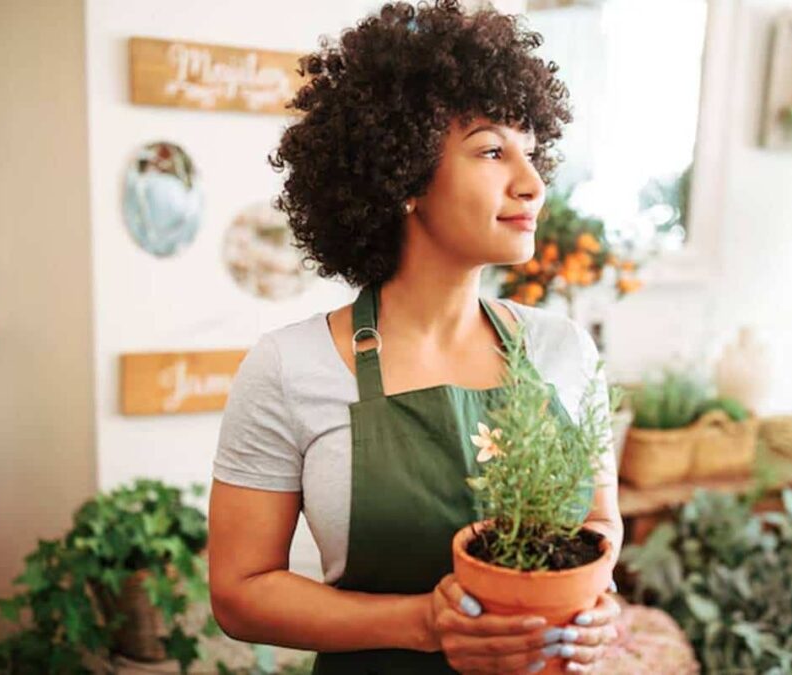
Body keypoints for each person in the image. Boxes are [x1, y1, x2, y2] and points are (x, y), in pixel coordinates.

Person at [208, 1, 623, 672]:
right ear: (403, 176)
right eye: (492, 150)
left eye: (533, 151)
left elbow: (600, 526)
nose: (532, 184)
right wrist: (423, 623)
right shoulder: (290, 367)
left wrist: (595, 599)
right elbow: (238, 592)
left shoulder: (565, 349)